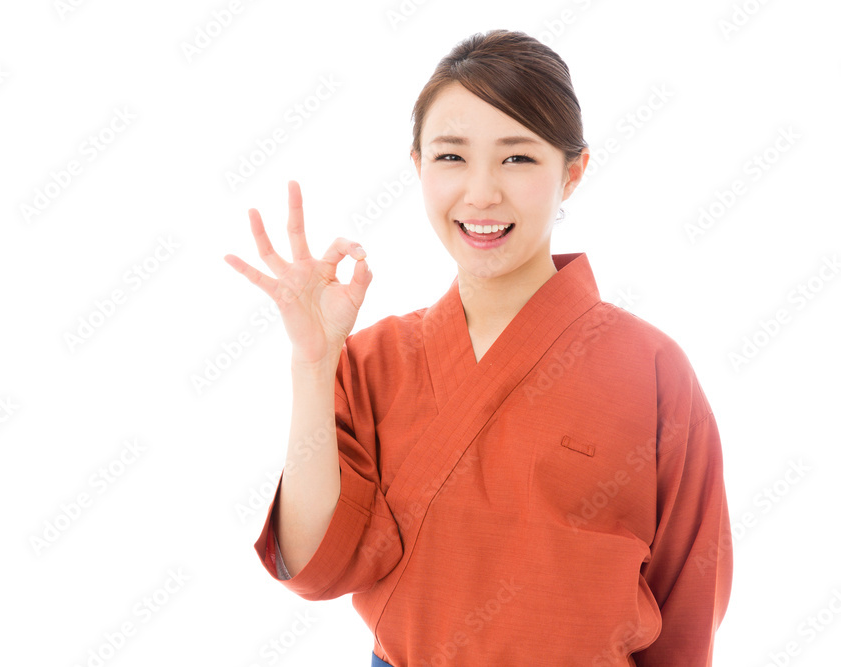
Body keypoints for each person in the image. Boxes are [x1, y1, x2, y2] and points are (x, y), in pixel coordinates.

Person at [224, 28, 732, 666]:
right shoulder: (373, 360)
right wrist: (313, 362)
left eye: (517, 158)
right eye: (451, 157)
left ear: (572, 172)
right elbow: (313, 561)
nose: (482, 193)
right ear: (417, 167)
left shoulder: (653, 370)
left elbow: (690, 602)